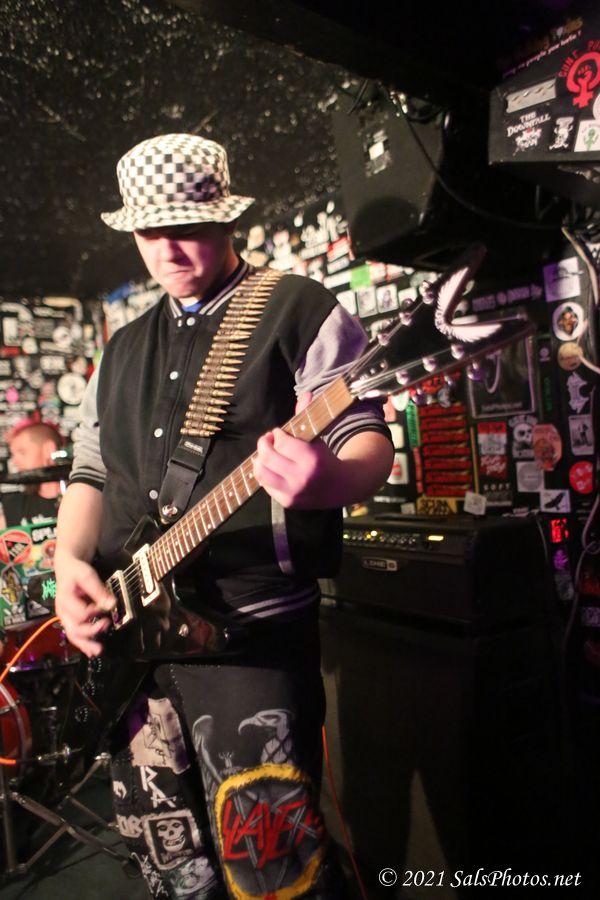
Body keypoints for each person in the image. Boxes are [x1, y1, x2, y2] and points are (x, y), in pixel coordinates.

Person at [54, 133, 393, 899]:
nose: (167, 250)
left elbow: (366, 439)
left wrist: (330, 480)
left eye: (187, 227)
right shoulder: (121, 348)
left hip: (251, 640)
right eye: (150, 231)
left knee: (273, 865)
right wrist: (68, 560)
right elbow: (90, 471)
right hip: (134, 643)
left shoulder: (296, 306)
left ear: (227, 218)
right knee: (171, 864)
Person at [0, 418, 65, 528]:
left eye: (22, 452)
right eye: (13, 455)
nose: (14, 462)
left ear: (48, 449)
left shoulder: (83, 497)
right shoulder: (13, 506)